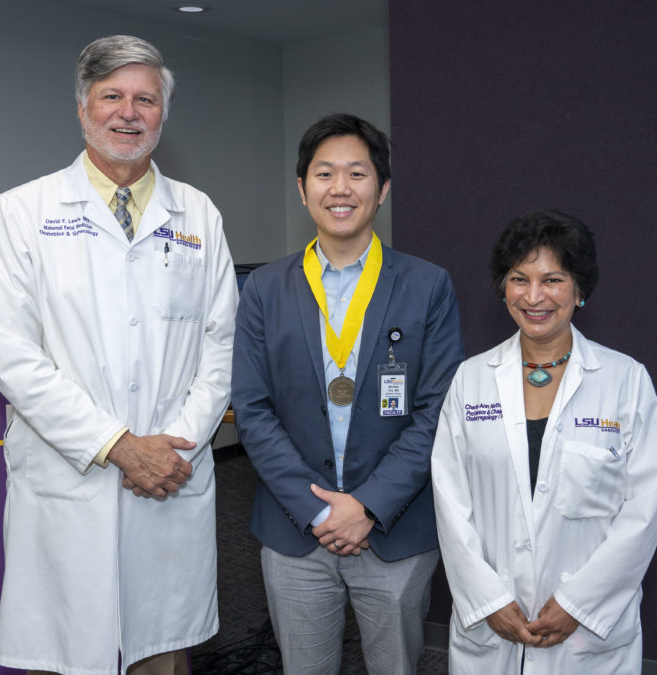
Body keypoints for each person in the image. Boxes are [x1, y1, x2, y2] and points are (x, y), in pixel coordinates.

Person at [0, 35, 237, 675]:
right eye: (112, 96)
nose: (129, 112)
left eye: (145, 99)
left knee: (161, 655)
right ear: (82, 108)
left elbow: (222, 344)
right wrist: (119, 445)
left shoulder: (198, 214)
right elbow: (13, 356)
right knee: (66, 649)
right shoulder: (22, 213)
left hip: (169, 474)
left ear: (162, 113)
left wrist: (171, 447)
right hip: (74, 474)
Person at [231, 113, 464, 674]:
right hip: (295, 531)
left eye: (357, 174)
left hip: (393, 529)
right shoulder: (264, 288)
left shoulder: (427, 285)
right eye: (324, 173)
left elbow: (437, 410)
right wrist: (318, 511)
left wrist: (368, 506)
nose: (340, 188)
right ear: (302, 189)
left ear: (382, 189)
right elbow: (253, 409)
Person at [431, 209, 657, 673]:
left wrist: (579, 603)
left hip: (586, 633)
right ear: (503, 287)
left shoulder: (626, 381)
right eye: (519, 279)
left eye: (553, 279)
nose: (534, 296)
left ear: (580, 290)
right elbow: (450, 500)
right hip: (494, 620)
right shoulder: (471, 380)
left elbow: (643, 511)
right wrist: (488, 599)